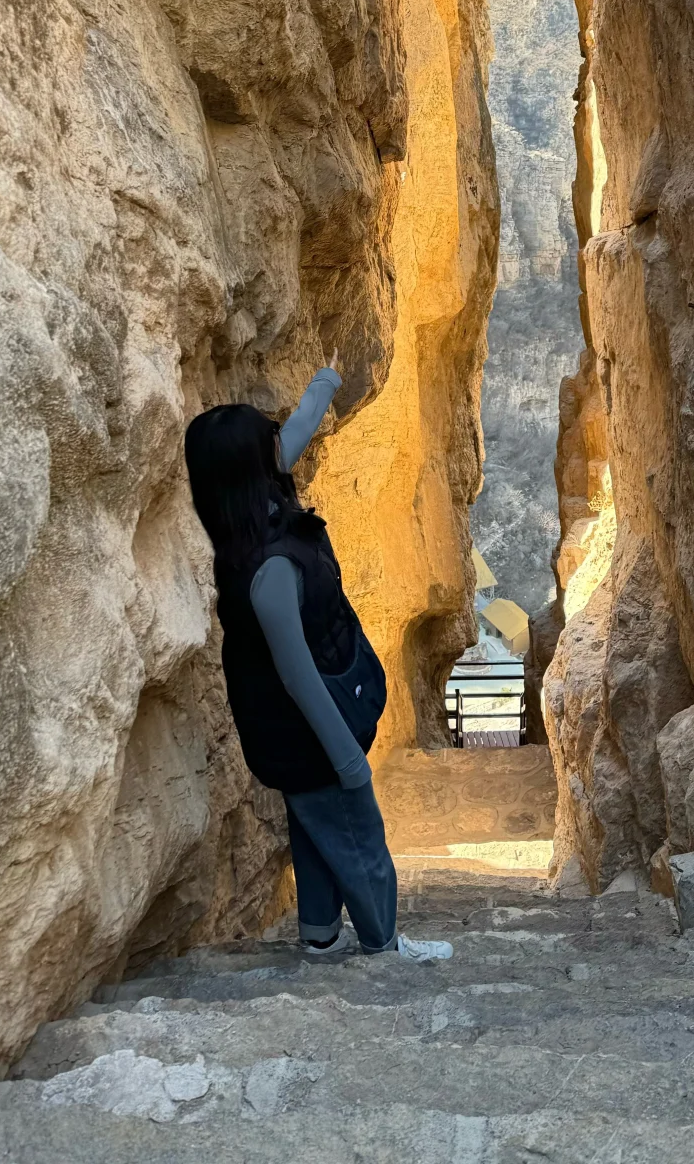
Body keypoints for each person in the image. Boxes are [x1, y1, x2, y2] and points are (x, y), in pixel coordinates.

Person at [184, 355, 450, 963]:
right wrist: (349, 760)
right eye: (271, 442)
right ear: (255, 469)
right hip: (307, 732)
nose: (284, 442)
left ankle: (320, 938)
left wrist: (327, 380)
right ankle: (384, 947)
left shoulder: (245, 525)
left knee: (312, 827)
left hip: (282, 732)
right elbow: (299, 677)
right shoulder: (271, 572)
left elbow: (298, 429)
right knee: (358, 836)